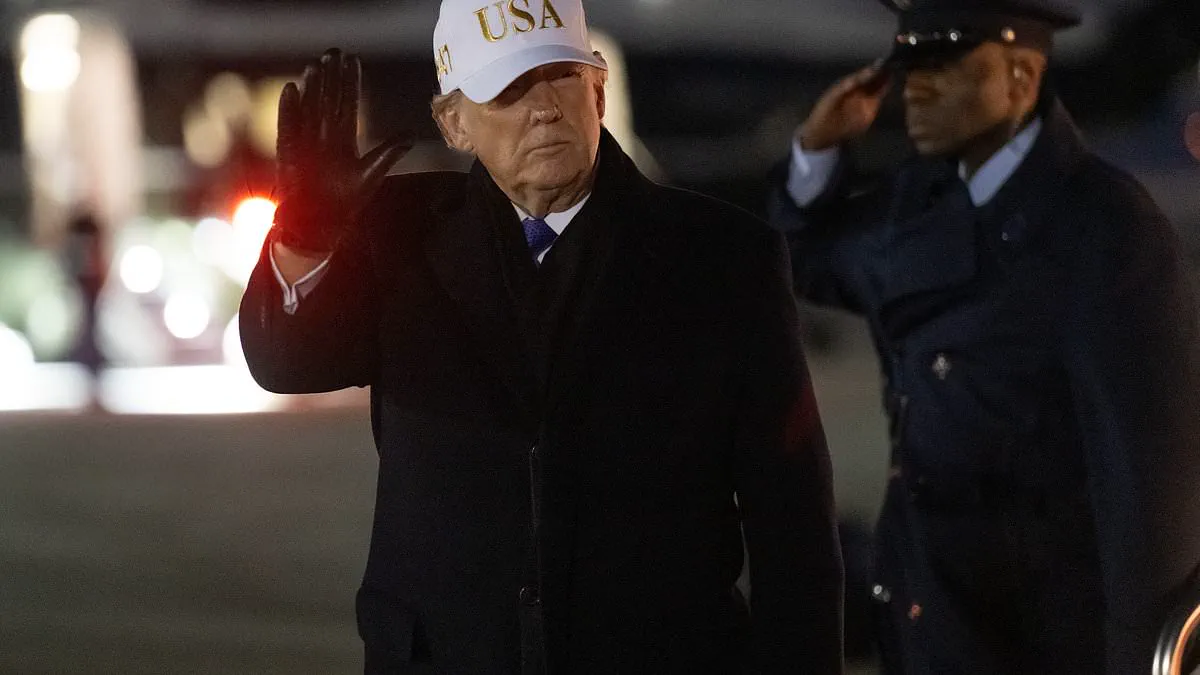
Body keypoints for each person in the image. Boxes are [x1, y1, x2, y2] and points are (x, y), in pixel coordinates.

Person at [240, 0, 844, 672]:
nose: (545, 109)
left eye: (561, 76)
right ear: (454, 122)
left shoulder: (724, 257)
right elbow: (287, 364)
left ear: (598, 91)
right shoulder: (396, 234)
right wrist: (303, 242)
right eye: (509, 89)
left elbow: (793, 522)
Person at [768, 0, 1200, 673]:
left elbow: (1148, 488)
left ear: (1021, 77)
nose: (917, 90)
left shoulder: (1102, 226)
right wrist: (817, 152)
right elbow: (805, 261)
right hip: (931, 619)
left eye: (944, 66)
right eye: (911, 68)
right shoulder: (920, 200)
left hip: (1046, 635)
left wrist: (1151, 655)